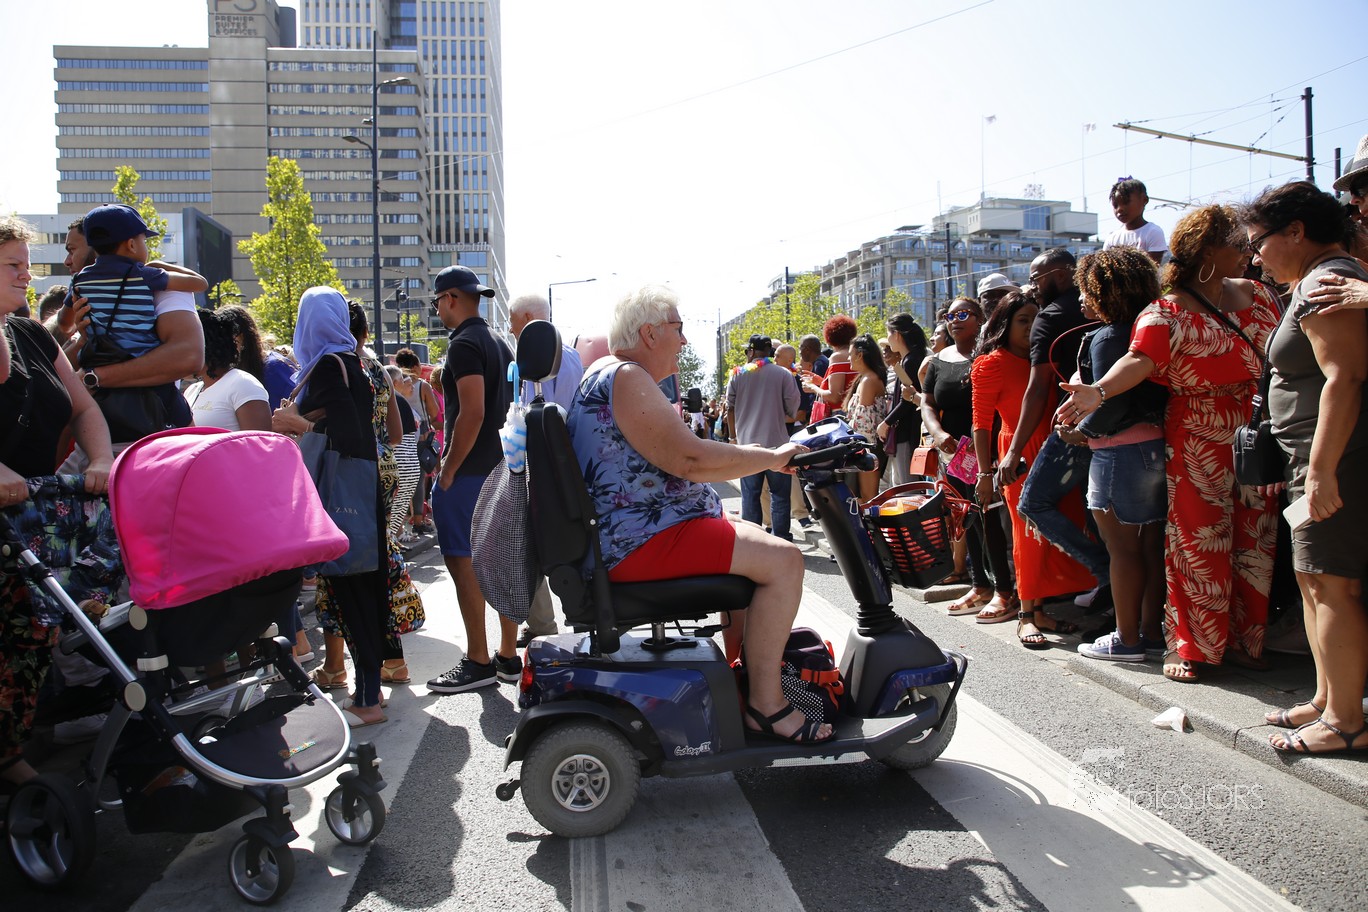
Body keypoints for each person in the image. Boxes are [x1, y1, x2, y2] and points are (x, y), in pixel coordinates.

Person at [566, 286, 829, 743]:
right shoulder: (627, 377)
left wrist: (757, 456)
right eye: (678, 328)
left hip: (634, 532)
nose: (684, 340)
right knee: (785, 560)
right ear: (649, 334)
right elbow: (691, 459)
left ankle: (744, 679)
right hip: (639, 541)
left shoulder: (607, 373)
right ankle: (766, 706)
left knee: (752, 537)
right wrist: (772, 457)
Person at [1060, 204, 1279, 682]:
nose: (1248, 253)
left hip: (1257, 430)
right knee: (1200, 542)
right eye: (1237, 245)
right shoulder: (1165, 312)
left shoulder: (1260, 294)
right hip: (1199, 437)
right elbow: (1139, 360)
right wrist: (1098, 392)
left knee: (1255, 540)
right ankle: (1193, 646)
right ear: (1207, 251)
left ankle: (1244, 640)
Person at [1238, 182, 1368, 754]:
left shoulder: (1325, 280)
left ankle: (1345, 721)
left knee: (1332, 583)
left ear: (1296, 231)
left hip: (1334, 458)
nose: (1254, 257)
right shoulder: (1314, 280)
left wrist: (1320, 470)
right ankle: (1327, 699)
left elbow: (1345, 377)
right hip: (1314, 457)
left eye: (1258, 242)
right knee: (1314, 580)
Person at [1, 216, 116, 787]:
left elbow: (84, 408)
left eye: (27, 264)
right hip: (14, 508)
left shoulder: (32, 335)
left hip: (32, 517)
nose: (27, 274)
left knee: (32, 636)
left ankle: (9, 750)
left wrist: (101, 459)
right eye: (12, 265)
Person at [270, 288, 387, 728]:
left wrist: (296, 423)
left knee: (352, 596)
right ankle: (370, 691)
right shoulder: (349, 362)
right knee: (361, 593)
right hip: (358, 494)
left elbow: (349, 437)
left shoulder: (327, 366)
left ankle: (368, 699)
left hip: (342, 498)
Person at [973, 291, 1094, 647]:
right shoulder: (990, 363)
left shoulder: (1045, 358)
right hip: (1018, 453)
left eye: (1034, 320)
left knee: (1052, 533)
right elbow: (981, 424)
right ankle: (1026, 616)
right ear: (1004, 324)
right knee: (1026, 535)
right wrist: (985, 473)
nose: (1030, 327)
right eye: (1022, 321)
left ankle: (1039, 611)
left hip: (1056, 448)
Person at [1068, 249, 1168, 663]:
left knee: (1122, 550)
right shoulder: (1149, 328)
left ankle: (1126, 639)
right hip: (1155, 447)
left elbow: (1110, 402)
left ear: (1104, 291)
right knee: (1150, 548)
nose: (1081, 298)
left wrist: (1080, 431)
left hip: (1117, 451)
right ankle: (1151, 633)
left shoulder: (1109, 336)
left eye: (1086, 289)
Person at [426, 266, 520, 694]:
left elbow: (473, 411)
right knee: (502, 561)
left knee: (464, 564)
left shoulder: (463, 343)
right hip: (504, 467)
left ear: (449, 298)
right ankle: (507, 654)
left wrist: (448, 469)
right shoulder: (500, 342)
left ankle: (478, 659)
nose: (437, 310)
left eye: (437, 302)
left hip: (469, 474)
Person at [1002, 248, 1112, 604]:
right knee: (1099, 512)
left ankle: (1106, 573)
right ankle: (1113, 592)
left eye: (1037, 279)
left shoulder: (1049, 317)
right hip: (1121, 424)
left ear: (1062, 274)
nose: (1032, 287)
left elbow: (1037, 389)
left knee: (1033, 502)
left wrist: (1014, 451)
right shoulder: (1113, 309)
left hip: (1076, 424)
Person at [921, 298, 1015, 615]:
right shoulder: (938, 360)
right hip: (954, 455)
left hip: (987, 450)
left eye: (962, 314)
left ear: (980, 318)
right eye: (949, 315)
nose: (954, 320)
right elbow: (927, 403)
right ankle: (980, 585)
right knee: (965, 517)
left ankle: (1005, 590)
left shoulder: (990, 354)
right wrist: (938, 433)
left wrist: (987, 447)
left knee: (991, 520)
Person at [508, 293, 584, 646]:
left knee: (541, 541)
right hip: (551, 463)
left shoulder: (554, 357)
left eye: (513, 321)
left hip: (552, 465)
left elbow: (558, 414)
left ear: (526, 318)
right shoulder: (558, 355)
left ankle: (555, 622)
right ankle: (549, 622)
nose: (511, 329)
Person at [68, 204, 208, 359]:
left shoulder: (79, 280)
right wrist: (159, 265)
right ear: (131, 245)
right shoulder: (144, 274)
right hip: (140, 356)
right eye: (144, 241)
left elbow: (64, 321)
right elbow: (200, 283)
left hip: (99, 358)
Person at [726, 334, 800, 537]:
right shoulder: (783, 373)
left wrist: (732, 437)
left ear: (751, 351)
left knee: (750, 496)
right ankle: (781, 538)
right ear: (769, 351)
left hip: (747, 447)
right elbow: (792, 408)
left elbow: (729, 408)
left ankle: (754, 539)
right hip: (778, 445)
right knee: (780, 496)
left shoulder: (738, 374)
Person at [183, 310, 271, 433]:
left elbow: (259, 442)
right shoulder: (192, 390)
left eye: (184, 348)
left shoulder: (243, 384)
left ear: (205, 347)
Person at [877, 313, 928, 486]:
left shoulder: (910, 361)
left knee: (908, 487)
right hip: (911, 430)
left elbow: (906, 400)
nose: (888, 339)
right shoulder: (912, 358)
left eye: (889, 333)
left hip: (908, 431)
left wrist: (886, 423)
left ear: (897, 334)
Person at [843, 334, 888, 501]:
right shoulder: (866, 378)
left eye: (850, 354)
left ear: (860, 355)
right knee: (863, 497)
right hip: (865, 445)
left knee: (868, 498)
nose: (848, 358)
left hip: (868, 446)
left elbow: (864, 423)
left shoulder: (869, 380)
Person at [1103, 177, 1168, 265]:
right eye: (1115, 205)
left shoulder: (1153, 232)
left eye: (1126, 202)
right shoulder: (1112, 239)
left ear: (1144, 200)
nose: (1120, 209)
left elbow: (1151, 268)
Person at [805, 315, 857, 424]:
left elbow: (834, 397)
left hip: (840, 416)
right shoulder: (856, 354)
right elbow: (848, 384)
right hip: (855, 413)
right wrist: (822, 382)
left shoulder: (837, 357)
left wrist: (813, 387)